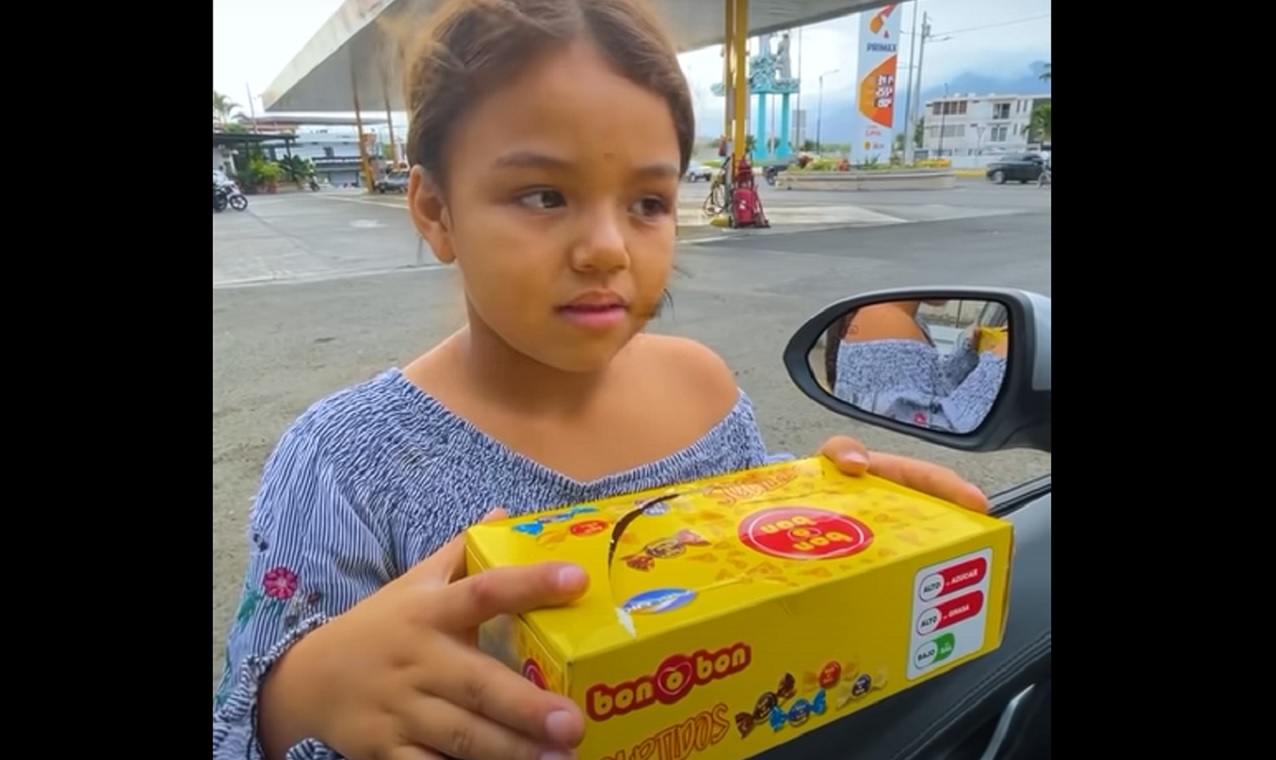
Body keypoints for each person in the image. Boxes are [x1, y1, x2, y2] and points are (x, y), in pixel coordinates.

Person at [211, 2, 992, 759]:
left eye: (648, 202)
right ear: (435, 210)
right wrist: (301, 698)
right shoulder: (345, 461)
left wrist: (869, 535)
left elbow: (759, 625)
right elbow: (237, 730)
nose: (607, 248)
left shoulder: (707, 391)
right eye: (543, 195)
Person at [828, 302, 1008, 434]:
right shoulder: (887, 320)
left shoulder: (904, 319)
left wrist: (966, 355)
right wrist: (998, 361)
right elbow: (936, 427)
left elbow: (927, 390)